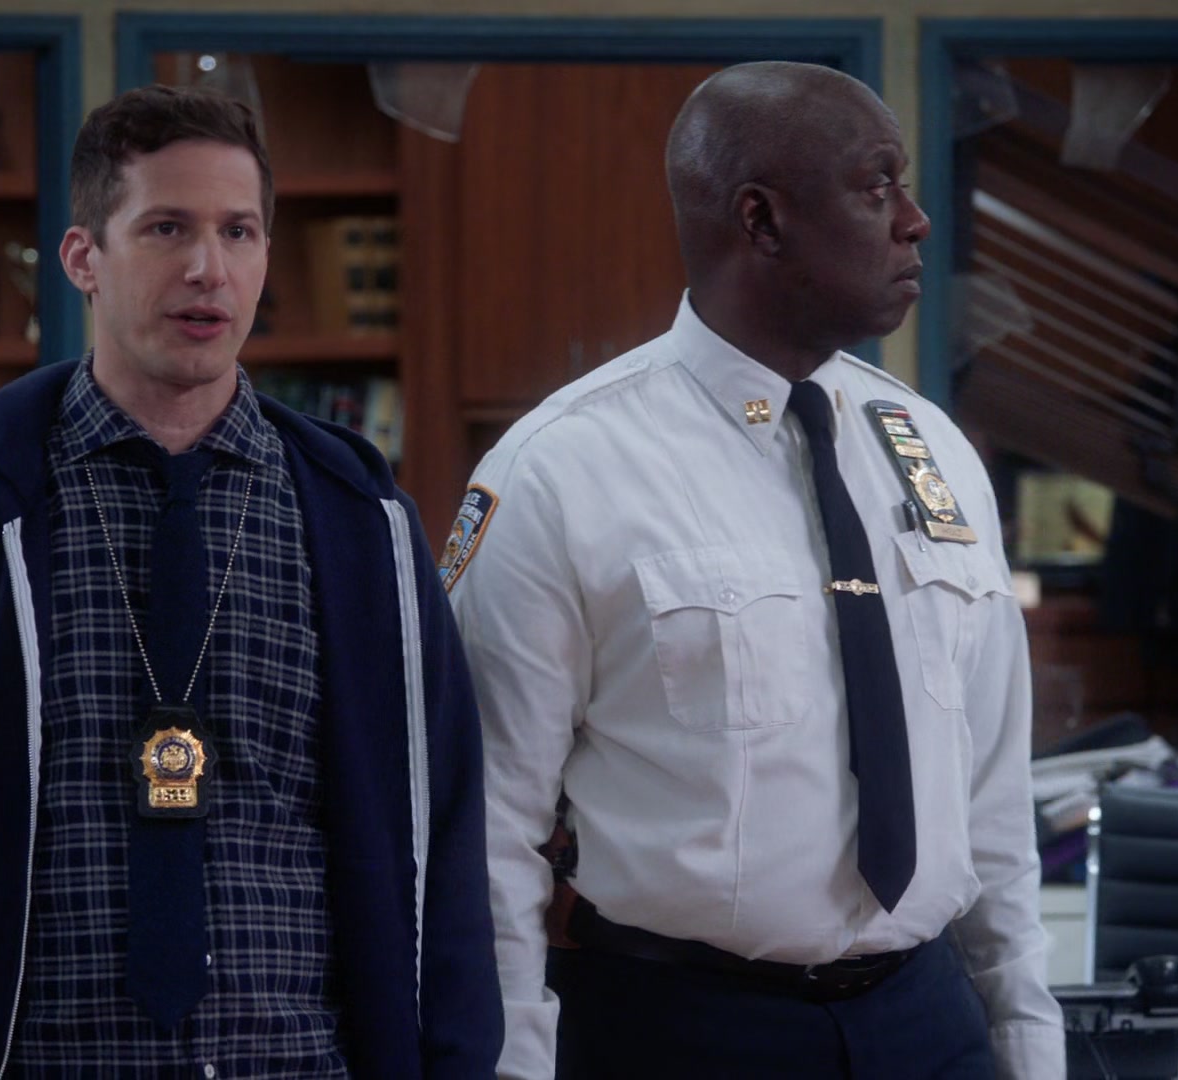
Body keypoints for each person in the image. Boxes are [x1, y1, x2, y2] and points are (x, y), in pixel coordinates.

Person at [0, 85, 500, 1077]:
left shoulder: (361, 529)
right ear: (84, 258)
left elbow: (446, 847)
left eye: (238, 232)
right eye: (167, 228)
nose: (209, 268)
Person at [445, 63, 1062, 1079]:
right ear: (762, 220)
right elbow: (487, 835)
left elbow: (994, 799)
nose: (915, 222)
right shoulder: (562, 472)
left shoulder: (933, 451)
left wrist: (1030, 1048)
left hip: (928, 1021)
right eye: (877, 186)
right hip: (683, 1027)